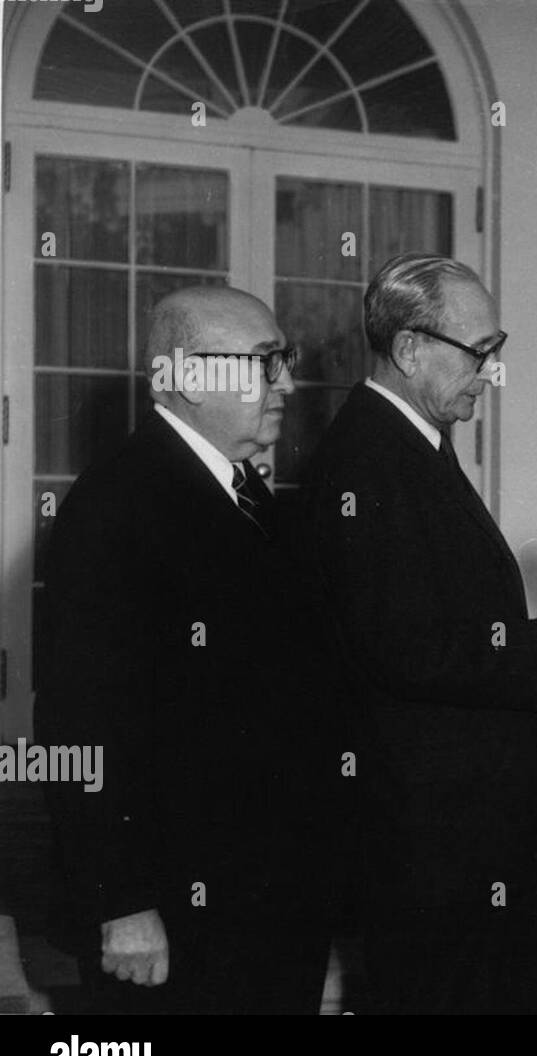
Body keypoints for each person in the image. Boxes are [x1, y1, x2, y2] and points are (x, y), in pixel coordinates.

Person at [301, 253, 537, 1013]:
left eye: (495, 348)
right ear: (410, 349)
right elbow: (402, 647)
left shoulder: (412, 447)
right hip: (436, 843)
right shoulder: (368, 460)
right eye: (479, 351)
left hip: (473, 831)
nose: (490, 370)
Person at [37, 286, 341, 1013]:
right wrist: (121, 903)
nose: (288, 384)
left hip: (263, 909)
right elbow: (81, 722)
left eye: (286, 361)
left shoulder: (252, 498)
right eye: (266, 362)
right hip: (170, 922)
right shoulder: (115, 503)